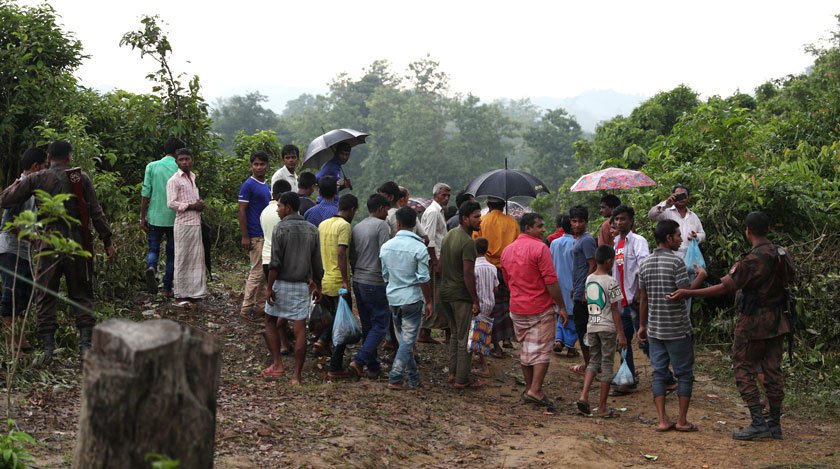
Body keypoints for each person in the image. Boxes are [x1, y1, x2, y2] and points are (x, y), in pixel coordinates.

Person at [670, 211, 794, 441]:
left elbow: (725, 287)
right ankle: (774, 423)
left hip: (753, 322)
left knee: (743, 367)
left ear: (747, 231)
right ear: (768, 229)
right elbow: (791, 279)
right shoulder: (781, 253)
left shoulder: (751, 260)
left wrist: (689, 292)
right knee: (772, 370)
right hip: (778, 321)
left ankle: (758, 422)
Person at [0, 140, 115, 364]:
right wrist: (107, 240)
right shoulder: (80, 178)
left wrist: (19, 181)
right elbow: (96, 212)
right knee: (81, 295)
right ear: (69, 157)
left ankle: (47, 352)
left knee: (45, 295)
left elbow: (5, 200)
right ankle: (84, 349)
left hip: (47, 243)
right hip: (77, 243)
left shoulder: (36, 178)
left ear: (49, 158)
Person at [637, 220, 708, 432]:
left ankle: (662, 420)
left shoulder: (645, 263)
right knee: (684, 374)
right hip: (677, 329)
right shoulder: (676, 263)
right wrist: (701, 277)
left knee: (659, 373)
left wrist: (642, 326)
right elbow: (684, 295)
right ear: (668, 238)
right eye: (678, 236)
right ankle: (682, 421)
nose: (680, 239)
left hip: (656, 330)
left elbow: (643, 299)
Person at [501, 213, 569, 413]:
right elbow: (550, 281)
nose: (543, 229)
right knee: (541, 350)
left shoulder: (507, 250)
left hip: (517, 306)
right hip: (539, 306)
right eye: (539, 226)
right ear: (528, 228)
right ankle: (536, 389)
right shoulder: (540, 248)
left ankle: (531, 388)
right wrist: (562, 306)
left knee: (526, 348)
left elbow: (507, 279)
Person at [264, 192, 324, 386]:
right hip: (301, 285)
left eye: (280, 206)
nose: (277, 209)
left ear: (288, 207)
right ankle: (296, 376)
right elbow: (317, 262)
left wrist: (269, 287)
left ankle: (278, 364)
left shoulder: (280, 229)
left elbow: (275, 263)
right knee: (299, 329)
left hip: (281, 282)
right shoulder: (312, 229)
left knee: (270, 321)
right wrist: (318, 284)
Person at [380, 206, 433, 390]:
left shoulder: (386, 247)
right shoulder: (419, 247)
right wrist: (430, 301)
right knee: (408, 341)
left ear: (398, 224)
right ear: (414, 225)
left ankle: (414, 377)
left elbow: (385, 275)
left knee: (405, 340)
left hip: (393, 297)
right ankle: (395, 377)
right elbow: (424, 278)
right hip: (412, 299)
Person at [0, 148, 47, 353]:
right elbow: (10, 224)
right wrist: (33, 239)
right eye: (44, 166)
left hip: (23, 249)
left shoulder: (31, 189)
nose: (46, 170)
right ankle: (11, 339)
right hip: (11, 248)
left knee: (24, 294)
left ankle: (20, 337)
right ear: (36, 167)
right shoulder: (20, 187)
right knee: (12, 293)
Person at [575, 245, 625, 418]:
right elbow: (615, 310)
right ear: (610, 260)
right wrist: (621, 334)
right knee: (607, 365)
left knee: (593, 362)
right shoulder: (611, 281)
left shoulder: (589, 279)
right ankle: (602, 407)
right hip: (607, 327)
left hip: (592, 326)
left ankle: (583, 395)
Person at [439, 200, 483, 389]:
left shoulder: (449, 235)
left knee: (455, 333)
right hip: (459, 295)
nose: (480, 220)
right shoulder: (468, 243)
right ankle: (462, 379)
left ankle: (452, 373)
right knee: (464, 337)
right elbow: (468, 274)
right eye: (476, 217)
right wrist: (475, 299)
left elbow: (440, 266)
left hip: (445, 292)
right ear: (465, 219)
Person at [347, 194, 391, 379]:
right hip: (375, 280)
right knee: (381, 323)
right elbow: (385, 254)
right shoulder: (382, 226)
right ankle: (360, 360)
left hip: (358, 279)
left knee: (367, 324)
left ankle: (373, 366)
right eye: (387, 209)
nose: (388, 213)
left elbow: (353, 255)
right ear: (380, 208)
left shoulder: (357, 226)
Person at [317, 194, 358, 378]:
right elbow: (342, 253)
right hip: (337, 281)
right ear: (352, 210)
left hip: (324, 278)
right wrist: (345, 281)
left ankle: (323, 340)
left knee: (332, 318)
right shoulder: (345, 226)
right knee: (342, 324)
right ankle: (335, 366)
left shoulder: (323, 224)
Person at [473, 196, 519, 353]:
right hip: (507, 268)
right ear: (504, 204)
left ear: (488, 204)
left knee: (490, 306)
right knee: (506, 304)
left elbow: (475, 243)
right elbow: (516, 246)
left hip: (485, 267)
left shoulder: (482, 221)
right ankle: (506, 338)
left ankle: (495, 343)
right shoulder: (512, 222)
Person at [611, 204, 649, 394]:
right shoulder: (616, 242)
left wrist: (641, 291)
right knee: (623, 340)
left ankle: (665, 377)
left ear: (631, 221)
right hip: (621, 301)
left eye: (623, 219)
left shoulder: (638, 241)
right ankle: (628, 377)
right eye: (616, 219)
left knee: (645, 339)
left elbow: (643, 266)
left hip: (635, 299)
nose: (619, 222)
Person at [140, 137, 184, 296]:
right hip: (175, 218)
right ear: (178, 152)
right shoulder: (181, 168)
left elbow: (145, 194)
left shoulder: (152, 166)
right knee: (172, 253)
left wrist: (142, 217)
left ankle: (151, 266)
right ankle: (166, 288)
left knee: (153, 248)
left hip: (155, 216)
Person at [166, 148, 207, 301]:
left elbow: (192, 198)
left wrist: (199, 204)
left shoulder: (193, 177)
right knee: (182, 258)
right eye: (181, 159)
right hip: (183, 224)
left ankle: (196, 292)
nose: (184, 162)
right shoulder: (174, 180)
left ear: (191, 160)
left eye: (187, 159)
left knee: (196, 259)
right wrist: (191, 206)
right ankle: (181, 293)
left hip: (195, 222)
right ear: (177, 162)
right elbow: (171, 203)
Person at [238, 151, 272, 322]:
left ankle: (260, 308)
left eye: (262, 164)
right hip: (255, 235)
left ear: (267, 165)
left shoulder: (266, 185)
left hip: (265, 234)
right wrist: (245, 236)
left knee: (264, 273)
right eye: (256, 164)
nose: (259, 167)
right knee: (257, 272)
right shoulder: (248, 185)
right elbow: (242, 211)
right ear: (251, 166)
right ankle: (246, 308)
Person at [259, 179, 293, 354]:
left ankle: (281, 340)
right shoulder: (284, 213)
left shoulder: (264, 211)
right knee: (283, 303)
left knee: (274, 299)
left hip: (266, 258)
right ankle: (284, 342)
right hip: (279, 260)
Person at [418, 182, 451, 344]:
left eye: (448, 196)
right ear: (435, 195)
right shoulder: (433, 212)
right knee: (433, 296)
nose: (446, 198)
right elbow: (429, 239)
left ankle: (426, 331)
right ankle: (424, 331)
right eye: (443, 195)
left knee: (435, 295)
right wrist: (436, 262)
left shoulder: (438, 211)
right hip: (433, 259)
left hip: (437, 258)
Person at [568, 205, 596, 376]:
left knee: (583, 329)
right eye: (574, 221)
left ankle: (590, 365)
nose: (577, 224)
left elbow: (592, 264)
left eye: (580, 221)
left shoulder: (586, 240)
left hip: (584, 292)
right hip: (579, 288)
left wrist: (586, 289)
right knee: (583, 328)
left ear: (586, 222)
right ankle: (590, 363)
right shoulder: (579, 239)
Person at [647, 185, 705, 258]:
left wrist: (696, 237)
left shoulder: (693, 216)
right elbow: (651, 215)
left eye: (683, 195)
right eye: (678, 196)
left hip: (690, 256)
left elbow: (702, 234)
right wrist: (666, 203)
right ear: (673, 196)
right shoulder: (666, 212)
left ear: (688, 198)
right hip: (670, 256)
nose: (681, 198)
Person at [549, 215, 577, 357]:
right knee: (572, 314)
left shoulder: (554, 243)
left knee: (560, 311)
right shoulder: (576, 243)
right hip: (572, 283)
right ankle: (569, 344)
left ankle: (559, 339)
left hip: (556, 283)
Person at [472, 237, 498, 377]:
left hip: (478, 304)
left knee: (478, 333)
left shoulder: (473, 268)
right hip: (490, 303)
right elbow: (496, 288)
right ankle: (479, 358)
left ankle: (483, 367)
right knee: (484, 331)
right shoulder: (492, 267)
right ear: (486, 250)